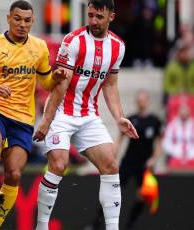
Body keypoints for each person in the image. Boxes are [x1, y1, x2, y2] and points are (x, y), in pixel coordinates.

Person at [32, 1, 139, 230]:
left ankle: (112, 227)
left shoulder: (118, 46)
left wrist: (119, 116)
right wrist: (47, 121)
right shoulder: (73, 41)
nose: (93, 21)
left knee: (110, 164)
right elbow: (61, 85)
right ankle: (41, 226)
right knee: (59, 165)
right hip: (61, 111)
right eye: (90, 15)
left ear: (111, 16)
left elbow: (110, 84)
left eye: (99, 16)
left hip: (88, 114)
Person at [0, 1, 57, 229]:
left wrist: (56, 78)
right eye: (18, 19)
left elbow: (46, 82)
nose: (22, 24)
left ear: (33, 21)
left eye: (27, 20)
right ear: (9, 18)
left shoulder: (40, 47)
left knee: (13, 173)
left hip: (22, 119)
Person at [87, 90, 162, 230]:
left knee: (142, 195)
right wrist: (114, 151)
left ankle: (130, 224)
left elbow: (158, 143)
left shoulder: (154, 121)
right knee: (113, 191)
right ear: (136, 102)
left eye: (143, 100)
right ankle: (96, 222)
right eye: (139, 100)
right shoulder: (131, 119)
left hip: (145, 165)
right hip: (129, 161)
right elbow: (120, 138)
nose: (141, 103)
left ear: (147, 101)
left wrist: (154, 159)